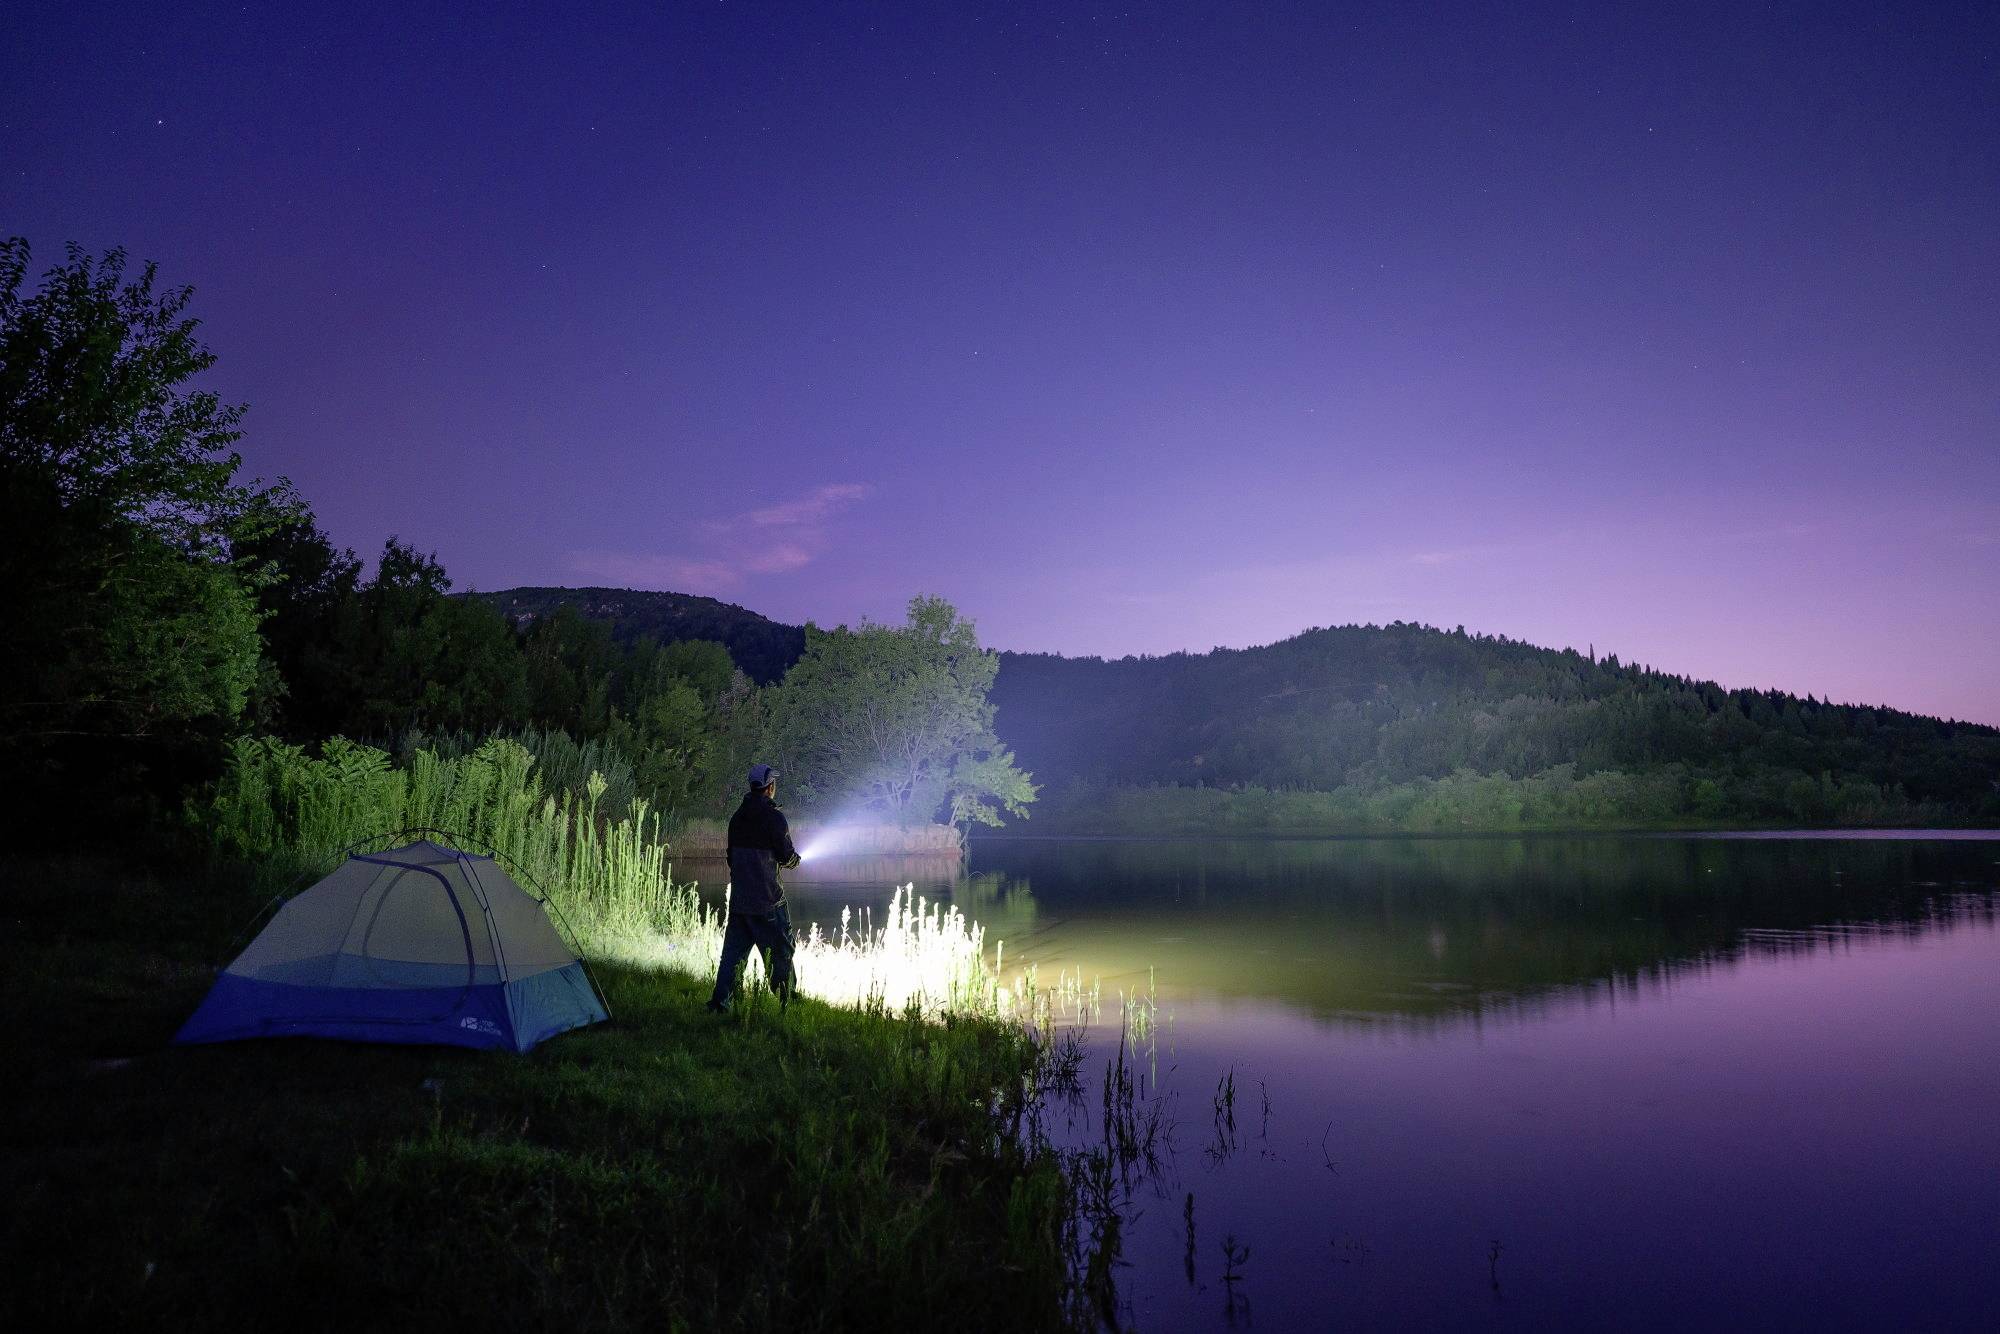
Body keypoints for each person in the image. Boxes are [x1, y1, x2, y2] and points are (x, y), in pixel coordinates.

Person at [705, 762, 802, 1013]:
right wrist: (794, 860)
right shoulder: (775, 818)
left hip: (740, 903)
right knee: (781, 953)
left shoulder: (737, 819)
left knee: (732, 957)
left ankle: (719, 1004)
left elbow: (731, 859)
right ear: (769, 787)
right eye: (774, 783)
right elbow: (786, 856)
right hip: (768, 902)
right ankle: (787, 1002)